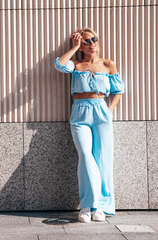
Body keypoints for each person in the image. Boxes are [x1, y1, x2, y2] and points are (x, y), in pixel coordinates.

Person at [54, 27, 125, 223]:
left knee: (102, 158)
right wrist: (74, 46)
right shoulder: (76, 64)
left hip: (101, 111)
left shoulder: (108, 64)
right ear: (81, 46)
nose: (91, 43)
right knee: (85, 155)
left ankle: (99, 207)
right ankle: (87, 205)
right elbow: (60, 65)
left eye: (93, 39)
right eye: (86, 41)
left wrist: (108, 111)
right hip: (80, 112)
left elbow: (118, 91)